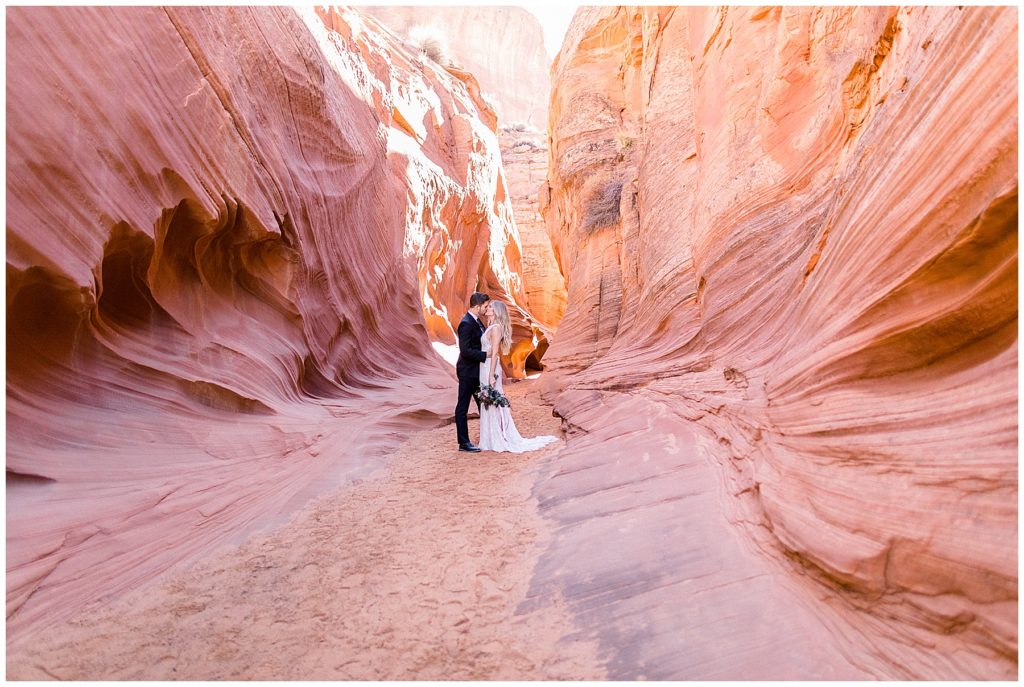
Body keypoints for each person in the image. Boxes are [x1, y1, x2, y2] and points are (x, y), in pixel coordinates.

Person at [477, 300, 557, 453]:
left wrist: (492, 375)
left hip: (490, 368)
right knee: (488, 401)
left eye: (490, 307)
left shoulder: (496, 328)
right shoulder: (491, 327)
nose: (487, 308)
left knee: (493, 401)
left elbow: (494, 353)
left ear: (497, 311)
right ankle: (489, 438)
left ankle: (498, 437)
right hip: (485, 366)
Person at [454, 292, 491, 452]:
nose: (486, 309)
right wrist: (485, 355)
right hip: (468, 372)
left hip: (476, 372)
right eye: (485, 306)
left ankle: (488, 436)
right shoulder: (466, 323)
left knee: (483, 405)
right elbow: (465, 350)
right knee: (462, 407)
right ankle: (464, 443)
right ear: (477, 307)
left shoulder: (477, 322)